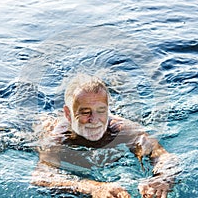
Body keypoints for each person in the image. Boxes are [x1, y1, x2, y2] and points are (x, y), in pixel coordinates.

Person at [31, 74, 179, 198]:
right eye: (85, 112)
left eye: (101, 110)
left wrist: (163, 178)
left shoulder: (122, 129)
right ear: (68, 114)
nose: (94, 120)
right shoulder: (57, 139)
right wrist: (93, 187)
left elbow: (164, 156)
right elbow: (41, 176)